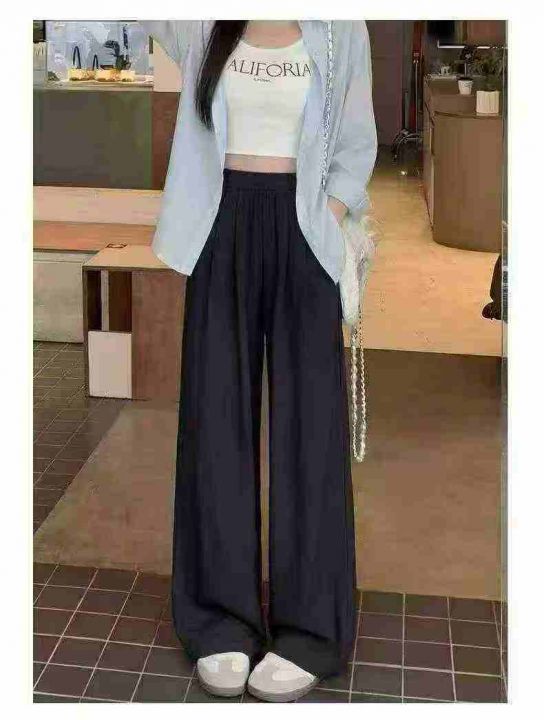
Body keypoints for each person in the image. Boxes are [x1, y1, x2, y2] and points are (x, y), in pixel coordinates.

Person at [140, 19, 377, 702]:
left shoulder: (341, 26)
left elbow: (356, 138)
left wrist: (329, 213)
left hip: (305, 227)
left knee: (311, 429)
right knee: (215, 419)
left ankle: (310, 628)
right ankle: (219, 619)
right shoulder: (200, 22)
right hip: (220, 225)